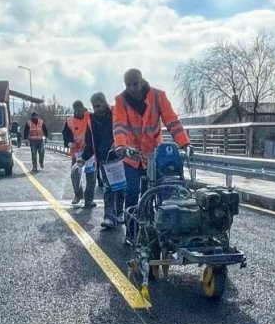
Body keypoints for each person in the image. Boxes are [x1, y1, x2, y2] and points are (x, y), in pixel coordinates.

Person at [113, 69, 191, 243]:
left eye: (135, 84)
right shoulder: (121, 100)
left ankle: (162, 230)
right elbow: (119, 125)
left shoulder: (158, 96)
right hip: (131, 156)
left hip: (154, 155)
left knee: (159, 192)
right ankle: (132, 233)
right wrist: (120, 145)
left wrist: (184, 143)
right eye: (128, 85)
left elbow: (172, 121)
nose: (132, 88)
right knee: (132, 192)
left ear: (142, 81)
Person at [81, 92, 124, 228]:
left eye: (99, 106)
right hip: (103, 158)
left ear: (105, 103)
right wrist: (83, 157)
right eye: (94, 107)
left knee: (121, 187)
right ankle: (109, 217)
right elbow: (90, 141)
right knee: (108, 188)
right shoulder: (91, 120)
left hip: (119, 156)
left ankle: (119, 213)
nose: (97, 109)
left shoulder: (116, 114)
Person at [62, 100, 95, 207]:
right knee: (75, 175)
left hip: (89, 153)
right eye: (76, 110)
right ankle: (78, 195)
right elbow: (66, 133)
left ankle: (89, 199)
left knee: (91, 176)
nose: (78, 112)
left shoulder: (90, 117)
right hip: (76, 153)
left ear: (83, 108)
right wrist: (68, 142)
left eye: (80, 109)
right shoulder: (69, 121)